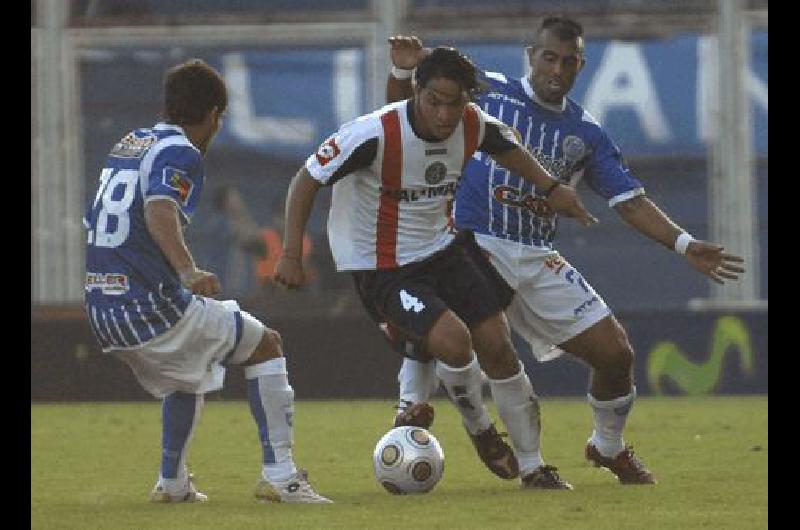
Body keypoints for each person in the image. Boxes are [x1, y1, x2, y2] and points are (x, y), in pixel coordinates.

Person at [384, 18, 746, 487]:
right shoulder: (485, 88)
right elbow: (406, 117)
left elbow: (630, 201)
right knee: (478, 337)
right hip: (471, 241)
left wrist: (683, 243)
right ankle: (430, 418)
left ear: (581, 65)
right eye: (549, 57)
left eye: (569, 60)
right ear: (530, 56)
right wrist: (401, 71)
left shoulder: (586, 134)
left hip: (535, 254)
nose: (557, 68)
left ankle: (607, 446)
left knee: (616, 355)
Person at [275, 46, 598, 490]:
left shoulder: (473, 124)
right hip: (383, 266)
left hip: (443, 248)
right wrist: (292, 252)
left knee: (499, 345)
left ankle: (533, 466)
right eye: (435, 102)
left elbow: (510, 148)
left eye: (456, 102)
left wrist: (551, 188)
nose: (445, 114)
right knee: (453, 340)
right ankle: (481, 430)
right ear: (417, 91)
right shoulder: (374, 133)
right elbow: (307, 178)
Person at [83, 59, 331, 504]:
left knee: (188, 373)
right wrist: (188, 269)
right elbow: (158, 209)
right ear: (216, 114)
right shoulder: (182, 152)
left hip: (103, 306)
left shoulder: (131, 142)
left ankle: (173, 483)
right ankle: (282, 476)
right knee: (266, 344)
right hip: (147, 308)